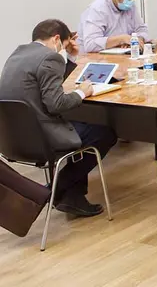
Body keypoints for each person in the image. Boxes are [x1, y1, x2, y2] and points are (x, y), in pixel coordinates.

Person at [0, 20, 117, 217]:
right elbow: (56, 104)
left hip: (12, 140)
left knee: (82, 128)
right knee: (103, 133)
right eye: (63, 45)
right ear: (56, 39)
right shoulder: (50, 57)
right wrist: (82, 93)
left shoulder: (17, 54)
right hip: (41, 138)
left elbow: (49, 84)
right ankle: (51, 191)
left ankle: (72, 197)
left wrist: (70, 57)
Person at [78, 0, 151, 53]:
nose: (131, 0)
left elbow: (142, 29)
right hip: (94, 60)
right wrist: (121, 39)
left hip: (121, 57)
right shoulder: (97, 9)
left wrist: (138, 39)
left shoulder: (131, 7)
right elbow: (90, 44)